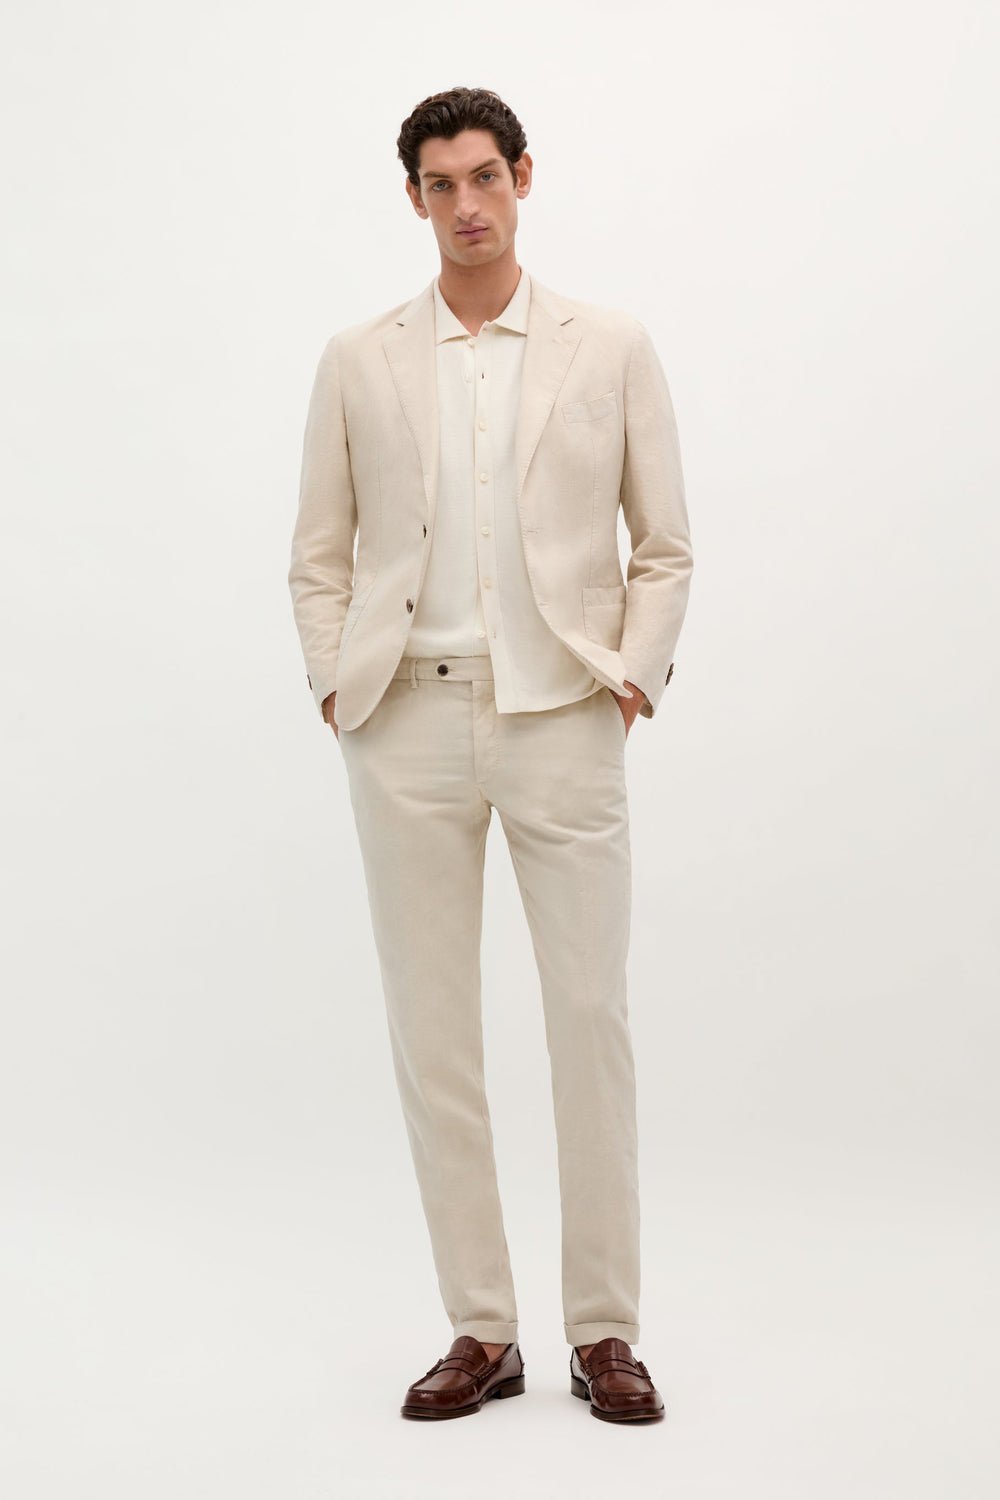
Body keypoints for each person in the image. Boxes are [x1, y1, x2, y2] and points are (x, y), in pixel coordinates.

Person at [288, 86, 692, 1423]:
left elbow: (665, 544)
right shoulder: (358, 358)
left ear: (524, 177)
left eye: (484, 176)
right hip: (405, 721)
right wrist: (335, 682)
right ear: (413, 198)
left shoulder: (608, 345)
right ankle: (482, 1328)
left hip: (564, 715)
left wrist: (630, 675)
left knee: (590, 1023)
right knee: (434, 1036)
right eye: (440, 183)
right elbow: (319, 552)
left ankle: (605, 1331)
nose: (466, 203)